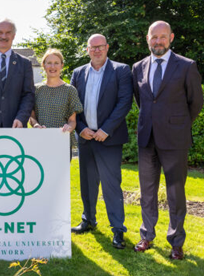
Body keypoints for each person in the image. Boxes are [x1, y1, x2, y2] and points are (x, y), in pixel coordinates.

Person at [132, 21, 204, 260]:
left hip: (175, 140)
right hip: (147, 139)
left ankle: (176, 241)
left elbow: (195, 103)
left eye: (163, 37)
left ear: (171, 37)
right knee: (147, 192)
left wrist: (177, 124)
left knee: (175, 193)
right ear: (147, 39)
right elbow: (143, 101)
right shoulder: (138, 67)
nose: (158, 41)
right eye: (154, 37)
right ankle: (147, 236)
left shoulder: (186, 66)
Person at [70, 34, 133, 249]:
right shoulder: (78, 73)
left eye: (100, 46)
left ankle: (118, 229)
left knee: (111, 185)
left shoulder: (121, 70)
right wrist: (81, 128)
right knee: (87, 184)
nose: (97, 50)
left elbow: (125, 102)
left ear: (107, 47)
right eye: (92, 47)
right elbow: (73, 105)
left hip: (109, 138)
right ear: (87, 49)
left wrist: (106, 129)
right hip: (86, 137)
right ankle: (88, 220)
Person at [28, 48, 83, 154]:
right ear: (43, 65)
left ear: (61, 65)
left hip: (62, 142)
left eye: (56, 63)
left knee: (61, 171)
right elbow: (32, 117)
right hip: (40, 142)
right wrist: (35, 125)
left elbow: (72, 121)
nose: (52, 67)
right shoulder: (36, 90)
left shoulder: (70, 90)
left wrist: (69, 128)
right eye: (49, 63)